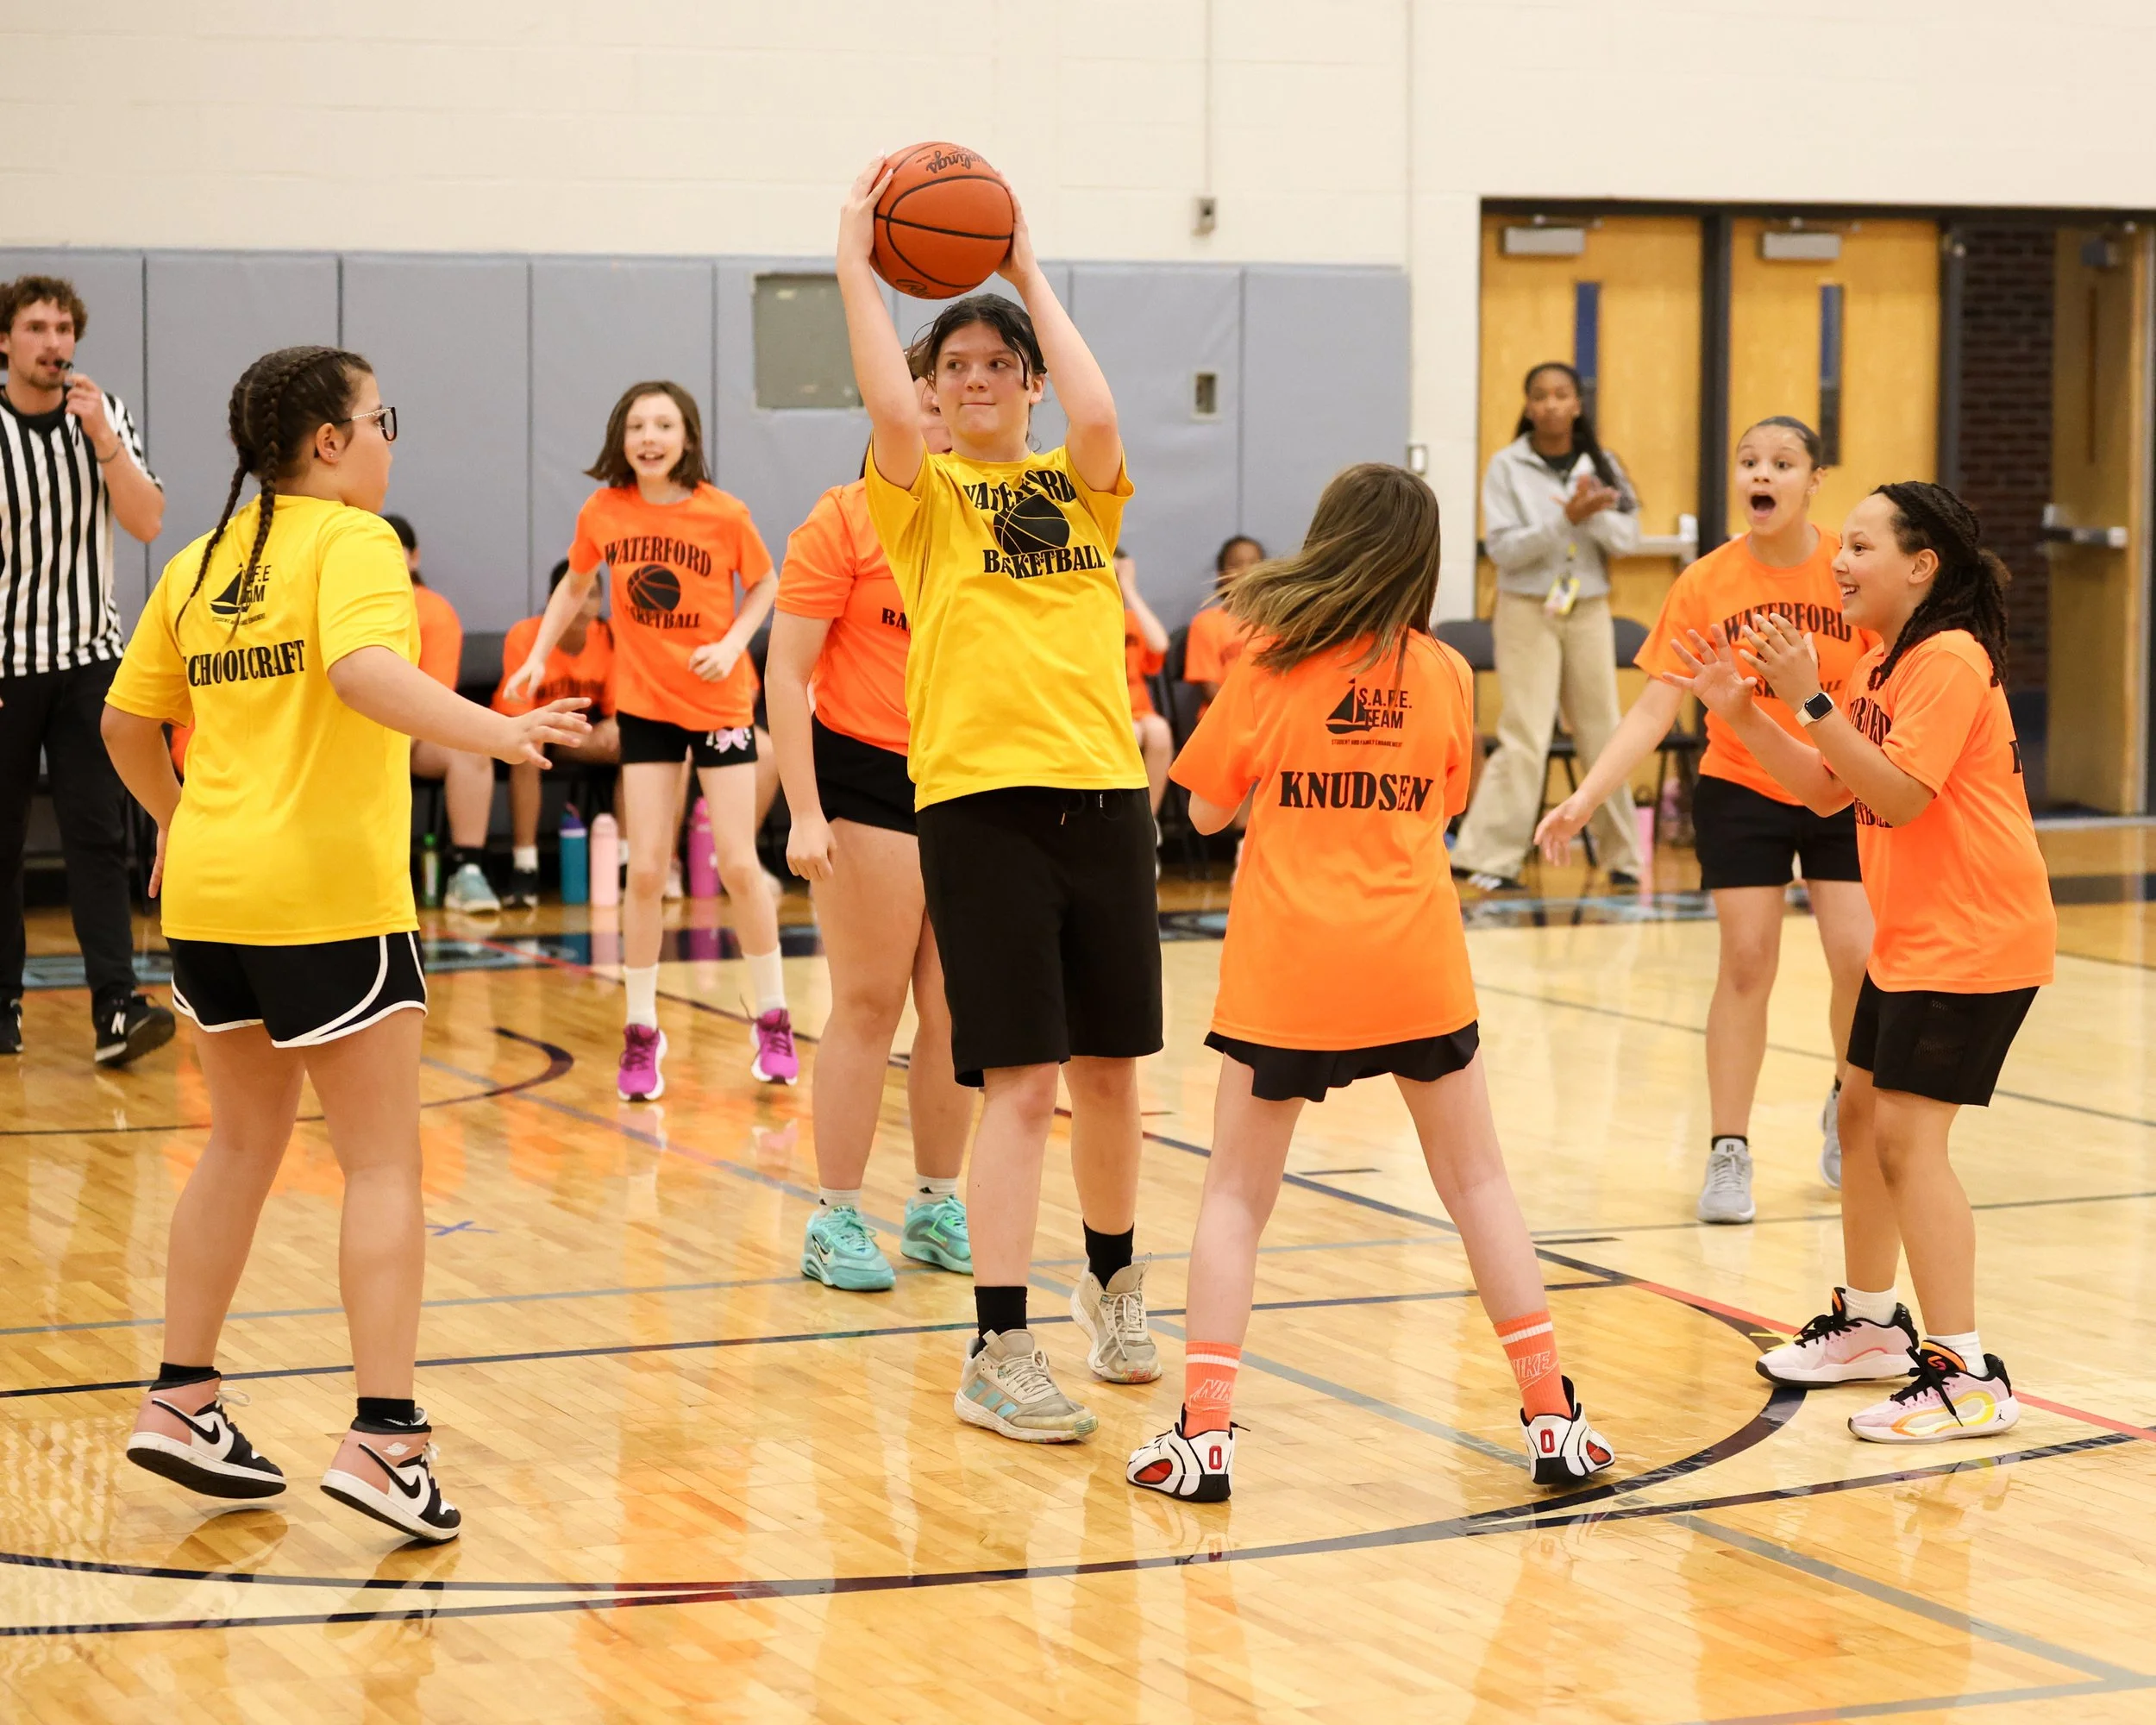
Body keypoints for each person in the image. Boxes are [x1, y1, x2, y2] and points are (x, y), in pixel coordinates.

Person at [98, 344, 590, 1542]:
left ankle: (182, 1399)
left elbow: (126, 722)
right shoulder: (356, 542)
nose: (386, 437)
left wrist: (183, 823)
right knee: (379, 1166)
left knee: (238, 1150)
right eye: (381, 418)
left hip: (211, 901)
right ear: (328, 440)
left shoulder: (202, 558)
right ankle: (385, 1439)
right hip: (328, 900)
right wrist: (500, 731)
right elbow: (368, 673)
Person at [1126, 463, 1615, 1501]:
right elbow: (1446, 796)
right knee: (1479, 1184)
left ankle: (1203, 1438)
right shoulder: (1443, 673)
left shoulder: (1267, 664)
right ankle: (1552, 1420)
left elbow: (1202, 815)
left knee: (1234, 1198)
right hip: (1412, 959)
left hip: (1290, 970)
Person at [839, 155, 1162, 1443]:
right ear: (930, 394)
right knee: (1021, 1080)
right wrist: (855, 260)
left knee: (1115, 1073)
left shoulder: (1080, 482)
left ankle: (1117, 1288)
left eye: (998, 364)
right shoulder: (922, 500)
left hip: (1104, 798)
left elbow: (1099, 417)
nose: (976, 381)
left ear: (1023, 380)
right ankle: (997, 1347)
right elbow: (879, 390)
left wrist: (1026, 271)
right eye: (954, 367)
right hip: (980, 807)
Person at [1664, 481, 2053, 1443]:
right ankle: (1874, 1326)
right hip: (1914, 935)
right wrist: (1743, 715)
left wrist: (1805, 693)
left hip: (1974, 935)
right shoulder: (1884, 659)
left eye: (1864, 547)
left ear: (1921, 566)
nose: (1840, 560)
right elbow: (1831, 790)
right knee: (1859, 1107)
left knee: (1907, 1142)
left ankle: (1966, 1371)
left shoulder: (1949, 659)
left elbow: (1905, 797)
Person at [1537, 417, 1873, 1220]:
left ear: (1814, 480)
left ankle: (1845, 1106)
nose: (1763, 474)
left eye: (1783, 463)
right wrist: (1586, 797)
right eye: (1750, 460)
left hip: (1838, 780)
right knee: (1747, 961)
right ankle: (1730, 1152)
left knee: (1859, 960)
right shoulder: (1706, 584)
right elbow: (1654, 710)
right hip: (1743, 785)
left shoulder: (1849, 574)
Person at [504, 380, 794, 1100]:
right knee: (643, 873)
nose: (650, 436)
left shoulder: (724, 514)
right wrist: (540, 652)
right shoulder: (604, 511)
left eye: (664, 423)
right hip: (648, 708)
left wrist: (732, 645)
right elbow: (575, 586)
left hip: (720, 702)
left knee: (736, 865)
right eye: (638, 424)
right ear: (622, 437)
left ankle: (774, 1017)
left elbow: (765, 585)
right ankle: (641, 1029)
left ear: (687, 437)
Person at [766, 383, 974, 1294]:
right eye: (921, 401)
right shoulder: (844, 519)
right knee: (867, 1002)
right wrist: (805, 811)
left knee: (959, 1011)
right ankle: (836, 1213)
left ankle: (934, 1203)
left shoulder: (993, 514)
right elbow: (785, 668)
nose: (938, 415)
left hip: (971, 778)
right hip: (866, 776)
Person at [0, 273, 173, 1064]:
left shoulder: (105, 419)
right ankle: (4, 1003)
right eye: (37, 327)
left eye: (65, 328)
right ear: (6, 341)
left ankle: (115, 1006)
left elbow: (146, 522)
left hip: (89, 660)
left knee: (99, 837)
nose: (54, 343)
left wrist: (105, 439)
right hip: (5, 663)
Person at [1451, 361, 1644, 891]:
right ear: (1527, 404)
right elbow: (1503, 549)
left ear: (1578, 403)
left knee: (1605, 731)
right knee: (1526, 733)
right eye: (1540, 396)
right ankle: (1489, 857)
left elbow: (1628, 539)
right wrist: (1564, 519)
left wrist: (1592, 514)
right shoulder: (1506, 466)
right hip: (1526, 608)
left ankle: (1623, 856)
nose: (1552, 405)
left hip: (1589, 608)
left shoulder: (1603, 463)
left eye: (1562, 394)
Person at [385, 513, 501, 913]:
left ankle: (467, 872)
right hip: (349, 732)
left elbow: (431, 699)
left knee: (471, 750)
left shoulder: (434, 612)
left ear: (414, 558)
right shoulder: (345, 603)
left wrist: (390, 745)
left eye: (393, 553)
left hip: (409, 737)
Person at [492, 559, 620, 909]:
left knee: (639, 742)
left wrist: (612, 725)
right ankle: (525, 866)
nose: (583, 603)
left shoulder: (609, 638)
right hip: (532, 736)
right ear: (554, 598)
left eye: (592, 594)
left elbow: (614, 714)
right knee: (529, 744)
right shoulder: (524, 636)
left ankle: (626, 860)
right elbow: (518, 718)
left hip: (581, 738)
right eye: (575, 593)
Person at [1182, 534, 1265, 712]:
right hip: (1225, 717)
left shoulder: (1278, 622)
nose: (1245, 571)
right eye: (1236, 565)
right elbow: (1210, 689)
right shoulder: (1206, 623)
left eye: (1254, 563)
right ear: (1221, 575)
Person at [1119, 550, 1172, 820]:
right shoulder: (1084, 616)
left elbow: (1160, 644)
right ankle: (1125, 821)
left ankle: (1147, 822)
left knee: (1159, 731)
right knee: (1133, 733)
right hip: (1110, 710)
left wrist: (1128, 588)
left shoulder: (1131, 619)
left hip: (1139, 709)